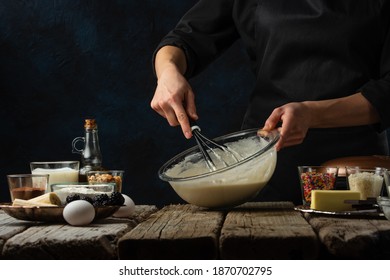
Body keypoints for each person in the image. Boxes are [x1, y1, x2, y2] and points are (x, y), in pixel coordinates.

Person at [150, 0, 390, 205]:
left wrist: (311, 114)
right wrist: (168, 73)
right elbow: (183, 40)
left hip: (357, 171)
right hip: (266, 165)